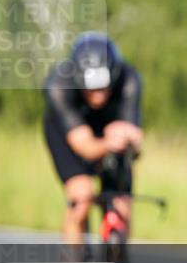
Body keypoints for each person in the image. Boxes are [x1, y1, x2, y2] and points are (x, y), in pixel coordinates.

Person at [43, 32, 143, 247]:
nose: (98, 94)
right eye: (91, 87)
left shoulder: (129, 80)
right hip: (68, 134)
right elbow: (85, 146)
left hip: (110, 132)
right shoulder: (58, 87)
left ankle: (116, 261)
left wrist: (131, 141)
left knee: (122, 208)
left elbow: (136, 149)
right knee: (81, 197)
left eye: (103, 86)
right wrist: (109, 143)